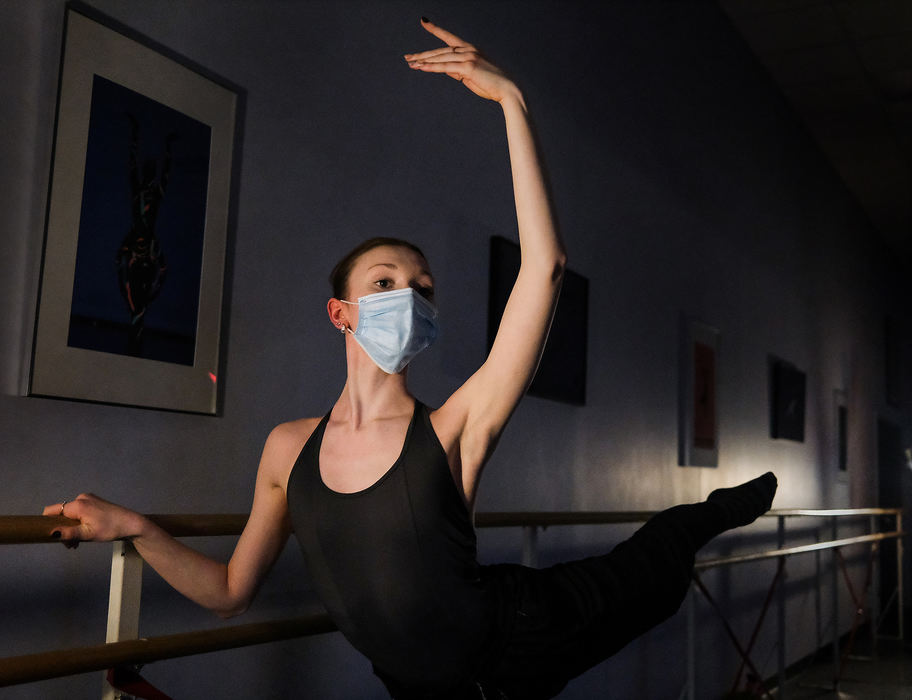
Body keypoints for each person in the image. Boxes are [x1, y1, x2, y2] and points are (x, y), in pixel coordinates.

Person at [45, 19, 776, 700]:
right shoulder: (286, 449)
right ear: (342, 313)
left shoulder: (456, 425)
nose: (410, 296)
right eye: (386, 283)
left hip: (526, 633)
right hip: (425, 689)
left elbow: (545, 266)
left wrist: (512, 103)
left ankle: (702, 517)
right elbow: (230, 590)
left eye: (422, 288)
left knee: (650, 566)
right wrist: (138, 529)